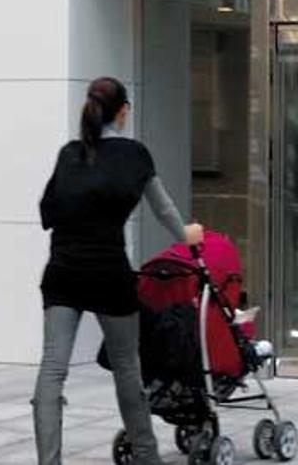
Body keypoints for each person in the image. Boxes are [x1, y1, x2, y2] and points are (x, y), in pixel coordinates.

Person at [34, 76, 203, 465]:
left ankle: (48, 461)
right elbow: (163, 209)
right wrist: (186, 234)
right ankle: (146, 456)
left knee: (53, 367)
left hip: (62, 271)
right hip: (109, 273)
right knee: (127, 366)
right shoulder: (135, 155)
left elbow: (47, 211)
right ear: (123, 111)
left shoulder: (69, 153)